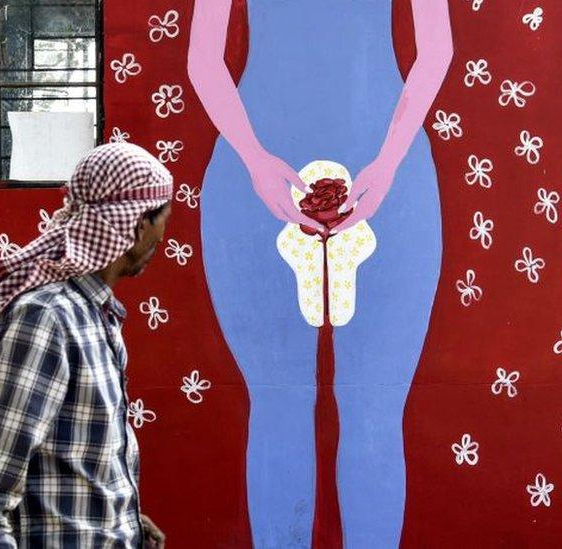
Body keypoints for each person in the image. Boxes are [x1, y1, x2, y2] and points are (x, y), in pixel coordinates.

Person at [188, 0, 452, 547]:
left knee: (368, 404)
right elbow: (203, 60)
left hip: (372, 176)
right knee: (284, 399)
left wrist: (386, 164)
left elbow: (437, 50)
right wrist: (256, 161)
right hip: (280, 177)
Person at [0, 143, 173, 548]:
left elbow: (67, 456)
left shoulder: (96, 314)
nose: (162, 240)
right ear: (137, 226)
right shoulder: (47, 319)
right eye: (162, 224)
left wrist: (123, 521)